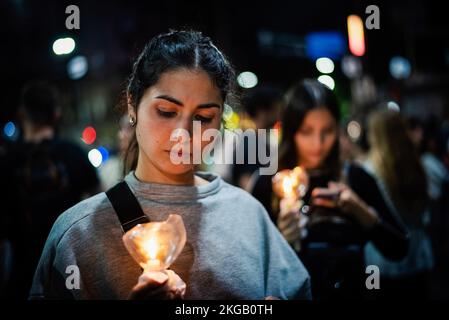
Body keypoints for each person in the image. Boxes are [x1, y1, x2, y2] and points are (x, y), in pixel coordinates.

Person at [30, 30, 311, 300]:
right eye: (166, 111)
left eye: (203, 117)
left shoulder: (248, 216)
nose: (184, 134)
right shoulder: (77, 235)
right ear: (132, 103)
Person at [250, 79, 409, 299]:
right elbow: (249, 268)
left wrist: (361, 211)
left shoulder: (356, 178)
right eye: (306, 131)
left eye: (328, 130)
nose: (318, 142)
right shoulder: (268, 183)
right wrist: (280, 239)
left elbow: (400, 248)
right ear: (290, 131)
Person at [0, 81, 100, 299]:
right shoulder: (73, 154)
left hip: (23, 274)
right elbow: (100, 210)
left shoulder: (7, 162)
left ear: (21, 114)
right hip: (71, 271)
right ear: (56, 114)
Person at [362, 109, 434, 299]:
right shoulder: (417, 163)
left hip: (380, 262)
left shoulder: (369, 170)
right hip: (418, 256)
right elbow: (425, 213)